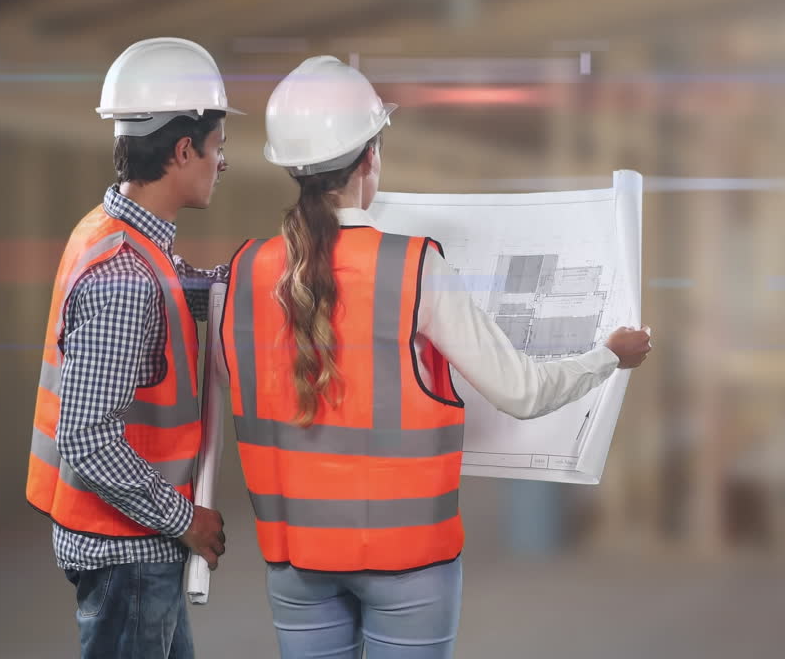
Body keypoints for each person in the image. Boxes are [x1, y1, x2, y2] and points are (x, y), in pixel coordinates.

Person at [221, 55, 652, 659]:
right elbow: (522, 391)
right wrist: (607, 356)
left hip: (296, 561)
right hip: (408, 567)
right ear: (370, 157)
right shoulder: (415, 267)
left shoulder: (244, 273)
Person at [25, 37, 243, 659]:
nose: (220, 163)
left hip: (129, 546)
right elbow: (89, 438)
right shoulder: (124, 277)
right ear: (182, 150)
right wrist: (186, 520)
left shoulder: (113, 233)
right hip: (128, 549)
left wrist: (223, 289)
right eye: (217, 149)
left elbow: (162, 304)